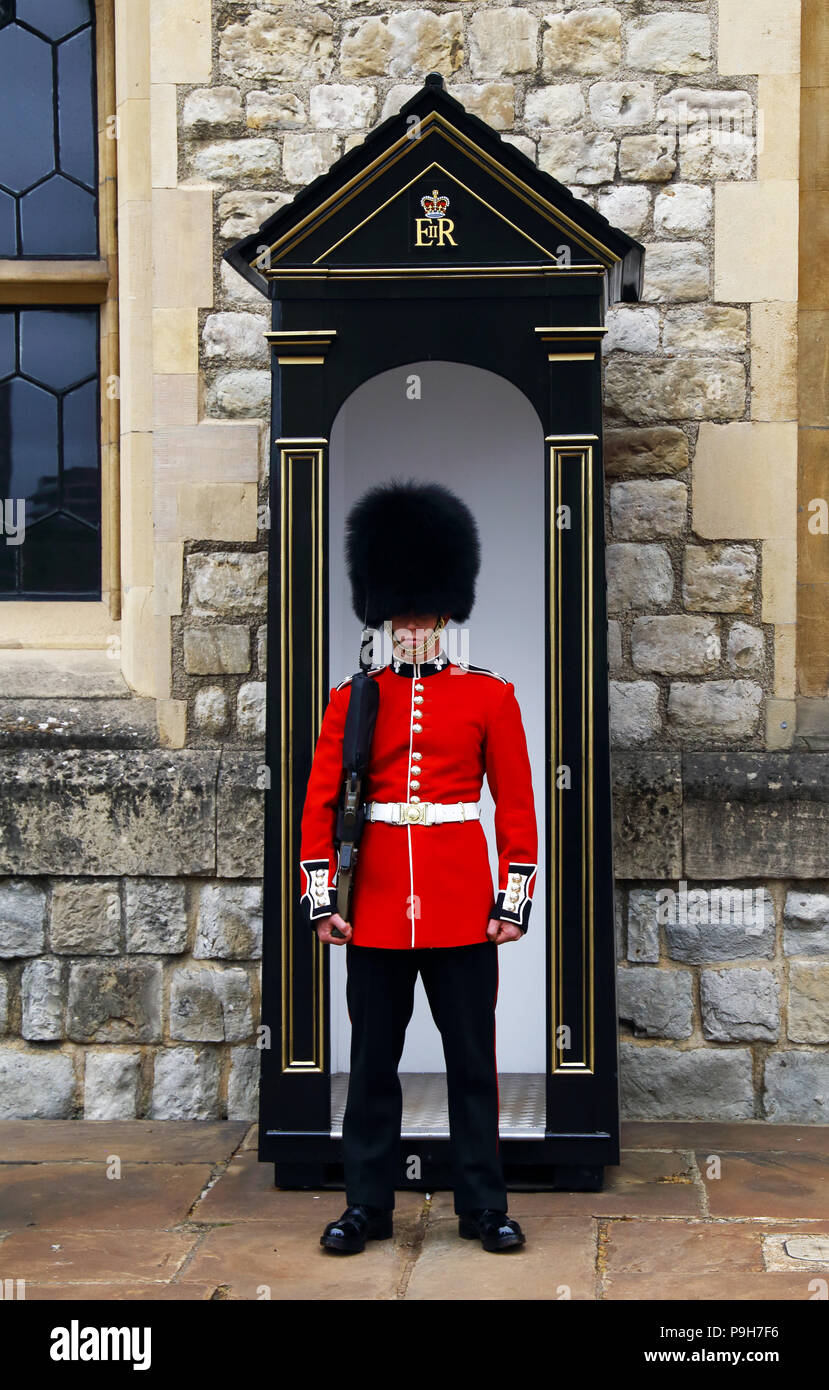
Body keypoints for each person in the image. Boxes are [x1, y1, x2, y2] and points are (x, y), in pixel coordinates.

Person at [298, 479, 538, 1254]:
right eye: (398, 617)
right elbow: (320, 804)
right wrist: (320, 898)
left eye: (421, 616)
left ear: (444, 616)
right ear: (383, 617)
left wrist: (512, 899)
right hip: (371, 909)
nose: (410, 629)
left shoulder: (490, 697)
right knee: (371, 1068)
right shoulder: (352, 700)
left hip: (462, 905)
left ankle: (481, 1205)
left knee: (472, 1063)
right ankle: (366, 1204)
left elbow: (518, 810)